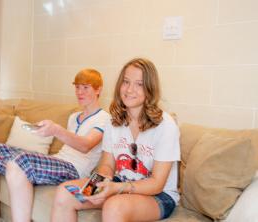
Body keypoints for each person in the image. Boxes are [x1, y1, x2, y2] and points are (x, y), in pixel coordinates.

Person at [0, 69, 110, 222]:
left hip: (75, 170)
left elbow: (86, 145)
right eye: (77, 87)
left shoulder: (105, 119)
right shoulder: (74, 117)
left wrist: (56, 130)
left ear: (98, 89)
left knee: (20, 161)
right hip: (58, 160)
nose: (80, 92)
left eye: (86, 87)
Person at [52, 58, 180, 222]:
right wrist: (97, 186)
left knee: (114, 206)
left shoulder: (165, 125)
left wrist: (116, 188)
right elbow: (107, 165)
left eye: (139, 84)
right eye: (126, 82)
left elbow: (157, 183)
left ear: (150, 88)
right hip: (122, 182)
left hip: (158, 195)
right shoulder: (114, 121)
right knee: (64, 192)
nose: (129, 89)